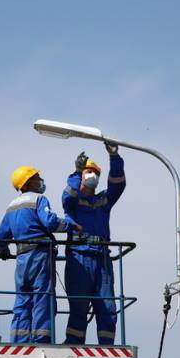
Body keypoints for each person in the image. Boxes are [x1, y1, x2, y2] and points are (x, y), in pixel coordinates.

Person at [0, 165, 80, 344]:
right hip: (40, 255)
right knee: (42, 295)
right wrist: (71, 226)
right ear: (26, 183)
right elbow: (49, 222)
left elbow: (1, 236)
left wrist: (3, 251)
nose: (40, 181)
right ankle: (42, 337)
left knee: (23, 298)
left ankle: (19, 338)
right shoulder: (39, 199)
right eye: (36, 178)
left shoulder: (12, 206)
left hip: (21, 260)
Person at [61, 142, 126, 345]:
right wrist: (77, 171)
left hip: (102, 259)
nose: (93, 175)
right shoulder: (72, 199)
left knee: (106, 306)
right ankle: (74, 345)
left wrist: (114, 156)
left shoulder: (102, 201)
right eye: (89, 172)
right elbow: (68, 195)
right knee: (79, 306)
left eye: (95, 172)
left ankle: (107, 346)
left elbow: (118, 184)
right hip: (79, 257)